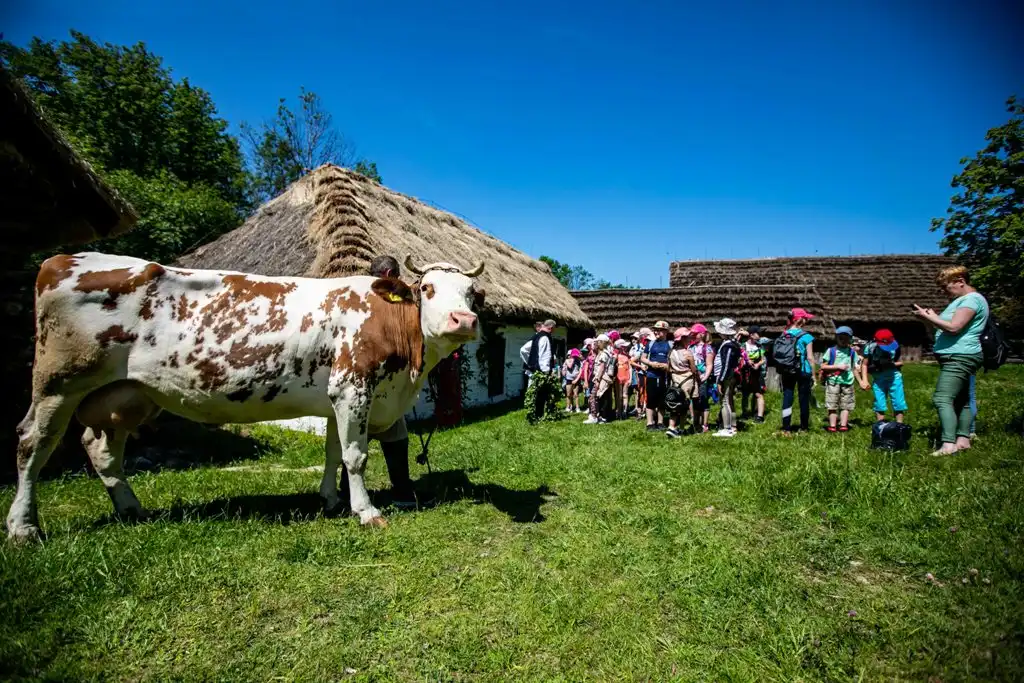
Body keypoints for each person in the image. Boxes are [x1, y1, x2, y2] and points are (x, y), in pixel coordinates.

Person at [358, 254, 428, 509]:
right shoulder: (397, 302)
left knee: (355, 437)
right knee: (395, 436)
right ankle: (402, 493)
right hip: (386, 377)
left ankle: (346, 492)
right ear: (390, 277)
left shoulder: (356, 298)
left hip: (359, 381)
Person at [913, 266, 989, 456]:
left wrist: (933, 317)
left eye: (946, 287)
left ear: (960, 281)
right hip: (958, 355)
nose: (944, 291)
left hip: (960, 355)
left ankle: (948, 444)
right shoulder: (962, 300)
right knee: (962, 400)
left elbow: (954, 328)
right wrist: (927, 320)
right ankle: (963, 440)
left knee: (942, 398)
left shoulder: (971, 300)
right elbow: (940, 332)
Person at [779, 308, 817, 436]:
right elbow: (810, 357)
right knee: (803, 399)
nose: (807, 320)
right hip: (803, 370)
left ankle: (786, 428)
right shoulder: (806, 336)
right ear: (800, 319)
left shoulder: (784, 334)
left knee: (787, 398)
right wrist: (814, 375)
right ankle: (804, 428)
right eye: (805, 318)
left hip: (787, 370)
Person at [858, 328, 907, 424]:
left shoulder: (895, 346)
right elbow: (864, 364)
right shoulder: (870, 347)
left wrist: (892, 364)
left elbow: (899, 361)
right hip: (878, 379)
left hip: (894, 378)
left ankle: (899, 425)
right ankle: (880, 425)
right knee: (879, 403)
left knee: (898, 402)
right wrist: (865, 380)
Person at [820, 326, 859, 432]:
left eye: (846, 338)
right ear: (836, 338)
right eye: (841, 338)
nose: (843, 341)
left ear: (850, 339)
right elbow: (823, 366)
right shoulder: (831, 351)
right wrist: (837, 367)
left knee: (846, 405)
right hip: (833, 382)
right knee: (832, 404)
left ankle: (843, 425)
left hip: (848, 382)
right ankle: (832, 425)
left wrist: (861, 381)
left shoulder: (852, 353)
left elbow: (855, 368)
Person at [520, 319, 561, 424]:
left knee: (533, 393)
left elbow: (523, 350)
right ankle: (539, 416)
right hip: (541, 371)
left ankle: (534, 415)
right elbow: (545, 356)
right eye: (554, 329)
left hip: (534, 371)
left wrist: (530, 363)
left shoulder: (536, 336)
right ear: (551, 327)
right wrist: (546, 372)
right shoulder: (545, 338)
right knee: (541, 394)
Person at [712, 318, 743, 438]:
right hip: (728, 376)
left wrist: (720, 380)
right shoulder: (732, 343)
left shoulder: (728, 346)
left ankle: (727, 428)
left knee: (724, 401)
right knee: (729, 401)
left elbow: (726, 365)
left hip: (725, 376)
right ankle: (732, 426)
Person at [665, 327, 698, 438]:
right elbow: (693, 369)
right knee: (684, 405)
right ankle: (681, 429)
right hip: (686, 380)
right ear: (683, 339)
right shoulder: (688, 353)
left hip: (675, 381)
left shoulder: (671, 352)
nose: (690, 339)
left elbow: (668, 369)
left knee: (674, 404)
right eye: (688, 337)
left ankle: (671, 426)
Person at [641, 321, 672, 431]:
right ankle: (650, 423)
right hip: (652, 375)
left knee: (662, 399)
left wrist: (666, 366)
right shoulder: (650, 344)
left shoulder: (670, 344)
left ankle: (660, 422)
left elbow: (673, 360)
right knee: (651, 398)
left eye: (659, 330)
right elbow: (643, 358)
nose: (656, 332)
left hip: (664, 376)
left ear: (665, 332)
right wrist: (651, 364)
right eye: (655, 330)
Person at [688, 324, 714, 433]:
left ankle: (704, 425)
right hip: (691, 377)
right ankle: (695, 423)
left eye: (695, 334)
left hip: (702, 378)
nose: (693, 336)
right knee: (693, 400)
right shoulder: (690, 347)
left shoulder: (707, 348)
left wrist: (705, 377)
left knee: (703, 400)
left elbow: (709, 364)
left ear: (702, 335)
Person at [585, 334, 616, 424]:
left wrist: (597, 379)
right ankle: (601, 416)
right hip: (601, 377)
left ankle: (595, 416)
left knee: (593, 397)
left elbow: (602, 367)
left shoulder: (603, 354)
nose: (596, 343)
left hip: (601, 378)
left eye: (598, 341)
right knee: (600, 398)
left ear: (602, 342)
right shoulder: (603, 353)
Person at [740, 325, 767, 423]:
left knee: (758, 394)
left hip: (757, 373)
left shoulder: (760, 346)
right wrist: (746, 361)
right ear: (751, 335)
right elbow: (739, 358)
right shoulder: (742, 346)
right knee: (745, 394)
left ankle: (759, 416)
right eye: (758, 333)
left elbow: (763, 359)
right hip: (746, 373)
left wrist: (758, 364)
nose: (760, 335)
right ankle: (745, 413)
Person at [630, 330, 651, 420]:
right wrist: (641, 367)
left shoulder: (650, 350)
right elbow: (631, 361)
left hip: (649, 373)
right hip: (641, 374)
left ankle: (645, 410)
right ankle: (640, 411)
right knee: (640, 391)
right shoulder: (641, 350)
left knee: (647, 392)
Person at [615, 339, 632, 420]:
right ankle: (619, 411)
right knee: (619, 396)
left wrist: (630, 378)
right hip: (618, 378)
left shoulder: (627, 356)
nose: (626, 348)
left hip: (626, 377)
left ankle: (624, 411)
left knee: (625, 395)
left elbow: (630, 368)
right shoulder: (616, 356)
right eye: (624, 347)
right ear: (620, 347)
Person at [562, 348, 583, 413]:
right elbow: (570, 366)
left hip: (576, 379)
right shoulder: (567, 360)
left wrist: (576, 379)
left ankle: (577, 407)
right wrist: (572, 360)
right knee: (568, 394)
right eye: (569, 355)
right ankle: (568, 406)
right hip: (568, 379)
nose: (570, 356)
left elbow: (580, 371)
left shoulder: (579, 361)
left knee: (576, 394)